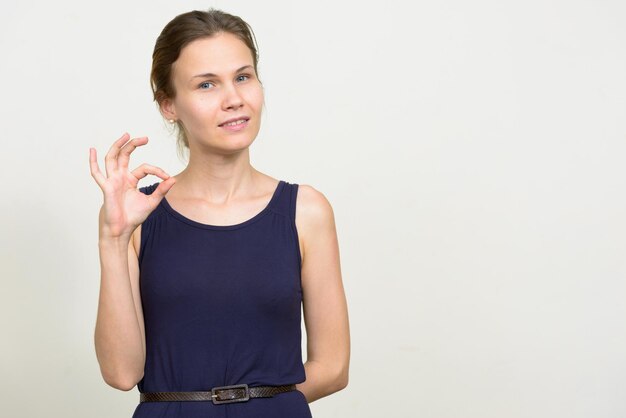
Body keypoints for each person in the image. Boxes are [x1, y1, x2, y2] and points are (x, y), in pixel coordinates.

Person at [88, 8, 350, 418]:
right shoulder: (138, 217)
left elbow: (332, 368)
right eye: (206, 84)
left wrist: (255, 404)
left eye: (243, 77)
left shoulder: (306, 211)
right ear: (168, 104)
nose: (234, 99)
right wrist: (113, 238)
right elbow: (122, 373)